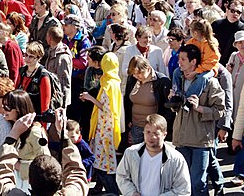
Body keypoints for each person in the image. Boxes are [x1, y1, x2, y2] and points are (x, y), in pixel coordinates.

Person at [0, 109, 89, 196]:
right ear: (60, 181)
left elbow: (0, 175)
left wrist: (13, 134)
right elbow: (76, 172)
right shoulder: (72, 193)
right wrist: (63, 135)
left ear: (29, 180)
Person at [170, 44, 226, 196]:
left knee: (198, 182)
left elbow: (221, 110)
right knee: (183, 180)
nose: (179, 62)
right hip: (181, 137)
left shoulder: (210, 82)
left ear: (193, 62)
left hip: (201, 139)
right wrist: (173, 102)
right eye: (179, 58)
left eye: (183, 59)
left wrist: (200, 108)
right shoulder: (178, 79)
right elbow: (176, 109)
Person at [116, 113, 191, 196]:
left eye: (156, 133)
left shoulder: (176, 159)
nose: (151, 136)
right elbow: (121, 176)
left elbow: (183, 190)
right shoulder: (131, 153)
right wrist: (132, 193)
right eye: (148, 132)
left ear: (164, 134)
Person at [80, 51, 122, 194]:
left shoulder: (109, 84)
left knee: (105, 162)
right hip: (104, 125)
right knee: (102, 160)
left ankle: (113, 191)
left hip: (106, 128)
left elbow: (106, 107)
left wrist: (89, 98)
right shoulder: (112, 81)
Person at [0, 90, 50, 190]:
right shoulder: (9, 126)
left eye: (7, 107)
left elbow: (46, 163)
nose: (4, 110)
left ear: (19, 109)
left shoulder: (35, 131)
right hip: (14, 181)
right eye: (3, 106)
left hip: (28, 183)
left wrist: (19, 166)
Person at [123, 55, 173, 145]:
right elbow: (127, 100)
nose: (136, 76)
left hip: (154, 129)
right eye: (134, 74)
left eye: (139, 73)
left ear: (148, 68)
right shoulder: (132, 80)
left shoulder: (162, 81)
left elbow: (168, 107)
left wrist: (161, 125)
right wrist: (128, 120)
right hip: (136, 126)